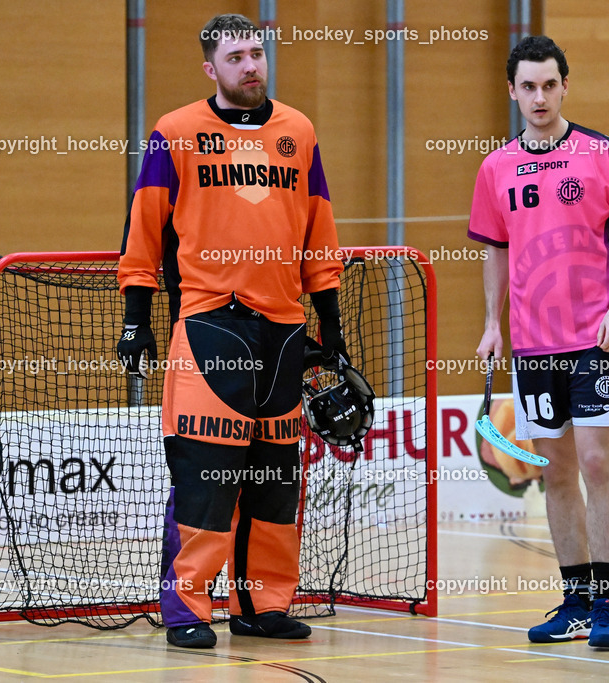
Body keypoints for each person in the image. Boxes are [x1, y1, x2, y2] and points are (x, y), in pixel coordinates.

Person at [116, 13, 348, 648]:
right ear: (210, 69)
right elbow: (144, 230)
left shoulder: (298, 132)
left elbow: (319, 230)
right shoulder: (176, 133)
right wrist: (136, 321)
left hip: (284, 329)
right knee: (207, 477)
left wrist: (331, 327)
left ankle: (262, 605)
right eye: (236, 56)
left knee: (276, 480)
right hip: (210, 324)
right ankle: (187, 607)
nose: (251, 65)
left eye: (257, 53)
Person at [468, 35, 609, 649]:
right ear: (512, 92)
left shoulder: (601, 154)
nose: (539, 97)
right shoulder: (496, 167)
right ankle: (574, 600)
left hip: (597, 340)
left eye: (550, 84)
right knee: (557, 474)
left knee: (597, 464)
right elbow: (495, 248)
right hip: (534, 347)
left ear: (565, 85)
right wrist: (493, 323)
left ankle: (608, 605)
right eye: (528, 86)